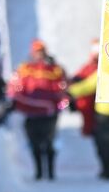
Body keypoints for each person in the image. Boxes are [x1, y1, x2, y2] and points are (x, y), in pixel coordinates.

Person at [7, 40, 66, 180]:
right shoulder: (24, 68)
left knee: (49, 143)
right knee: (34, 144)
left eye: (41, 51)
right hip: (31, 113)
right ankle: (39, 172)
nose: (39, 55)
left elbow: (62, 89)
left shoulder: (55, 69)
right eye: (36, 52)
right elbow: (15, 87)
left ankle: (50, 172)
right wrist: (16, 101)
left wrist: (60, 105)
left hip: (49, 114)